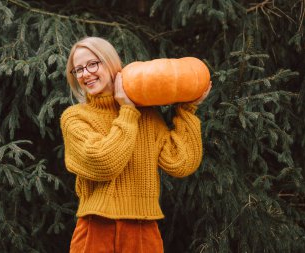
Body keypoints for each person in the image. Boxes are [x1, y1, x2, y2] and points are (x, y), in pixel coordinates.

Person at [60, 36, 211, 253]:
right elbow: (104, 162)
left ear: (111, 63)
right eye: (78, 69)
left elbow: (181, 163)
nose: (86, 73)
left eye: (93, 64)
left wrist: (187, 111)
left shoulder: (148, 115)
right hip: (96, 227)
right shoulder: (75, 118)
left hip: (143, 229)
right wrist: (128, 112)